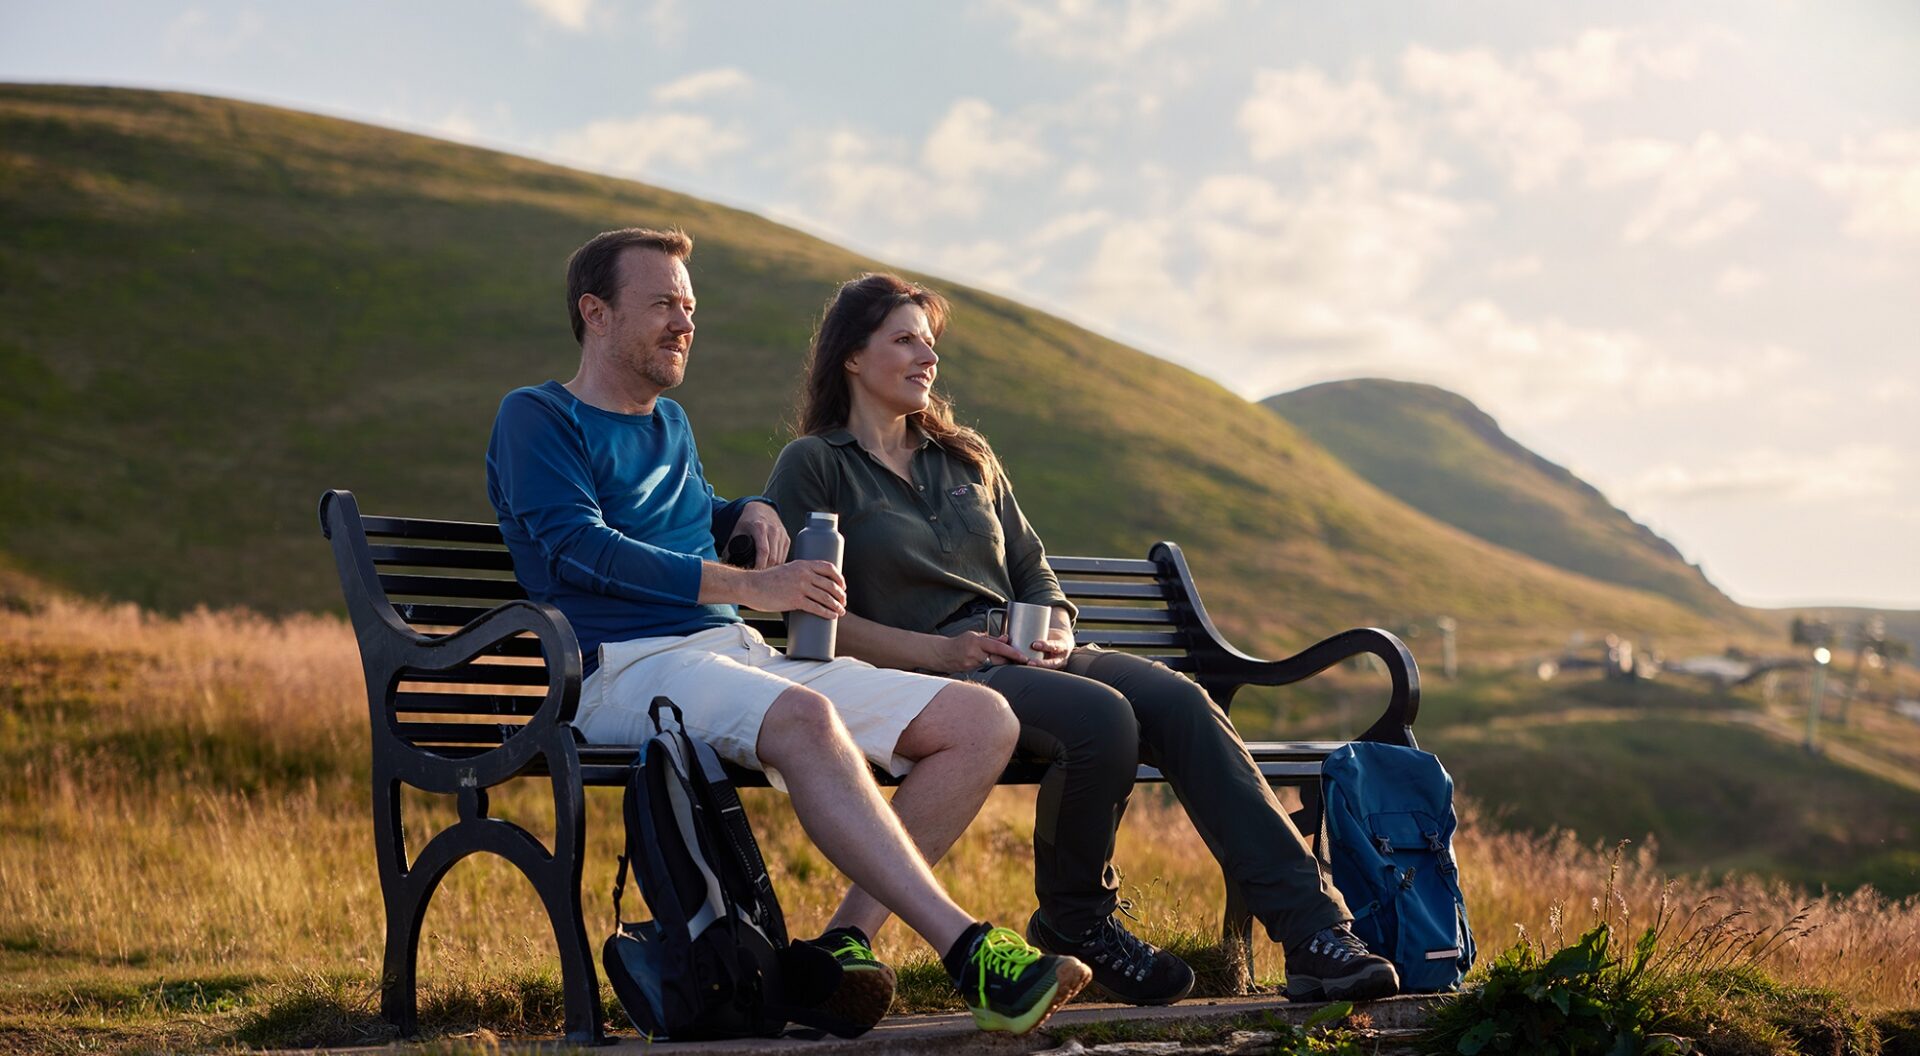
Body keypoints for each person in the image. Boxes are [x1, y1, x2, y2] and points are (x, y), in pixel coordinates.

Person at [485, 229, 1090, 1036]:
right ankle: (970, 950)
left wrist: (750, 511)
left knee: (981, 719)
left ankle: (843, 945)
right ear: (595, 312)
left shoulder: (669, 425)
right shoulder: (536, 417)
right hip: (620, 669)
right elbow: (580, 547)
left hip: (729, 654)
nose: (684, 323)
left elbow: (693, 516)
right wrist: (752, 585)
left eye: (690, 307)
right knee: (807, 720)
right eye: (663, 303)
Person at [763, 273, 1401, 1006]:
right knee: (1102, 718)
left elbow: (1036, 574)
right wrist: (947, 653)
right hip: (936, 676)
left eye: (931, 343)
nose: (926, 357)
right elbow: (809, 619)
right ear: (851, 355)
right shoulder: (815, 464)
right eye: (905, 339)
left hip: (1026, 657)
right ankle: (1078, 922)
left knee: (1180, 701)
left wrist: (1056, 630)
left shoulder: (967, 459)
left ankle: (1315, 933)